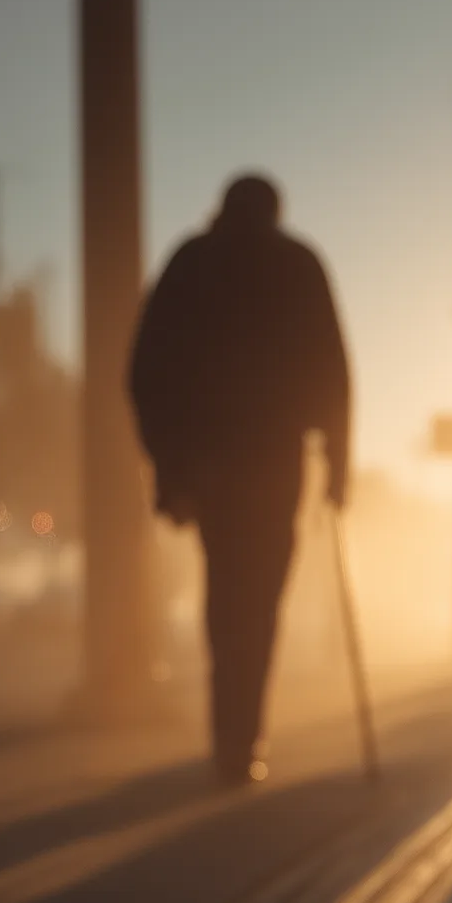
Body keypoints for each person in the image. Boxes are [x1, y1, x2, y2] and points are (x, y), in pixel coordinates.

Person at [129, 173, 350, 785]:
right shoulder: (298, 263)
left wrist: (169, 466)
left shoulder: (192, 262)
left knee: (225, 597)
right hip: (275, 460)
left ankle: (230, 738)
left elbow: (147, 374)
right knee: (260, 601)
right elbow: (335, 372)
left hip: (212, 463)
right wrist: (338, 466)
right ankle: (244, 736)